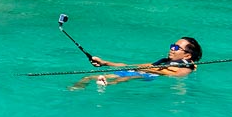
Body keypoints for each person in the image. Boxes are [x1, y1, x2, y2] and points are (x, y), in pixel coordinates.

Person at [69, 37, 203, 89]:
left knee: (131, 76)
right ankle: (75, 89)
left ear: (187, 55)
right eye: (172, 45)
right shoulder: (164, 61)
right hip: (144, 71)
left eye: (176, 48)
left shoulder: (188, 66)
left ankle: (107, 84)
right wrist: (105, 63)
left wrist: (152, 70)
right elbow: (133, 66)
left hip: (148, 76)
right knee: (88, 77)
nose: (171, 49)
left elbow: (178, 75)